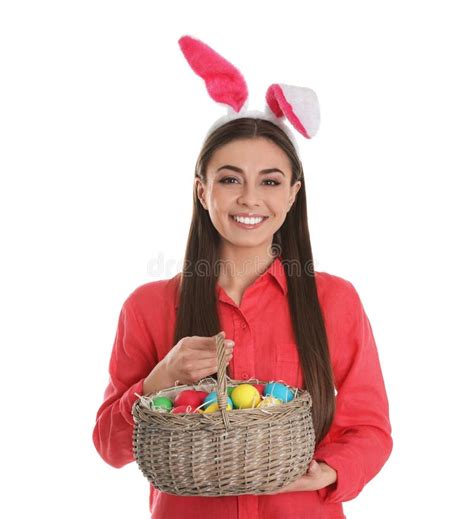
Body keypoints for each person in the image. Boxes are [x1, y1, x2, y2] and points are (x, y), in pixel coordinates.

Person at [92, 35, 393, 519]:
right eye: (230, 179)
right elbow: (109, 446)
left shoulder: (334, 300)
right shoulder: (147, 307)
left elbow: (371, 428)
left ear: (293, 194)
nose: (250, 198)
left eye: (270, 181)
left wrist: (331, 469)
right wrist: (160, 378)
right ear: (202, 190)